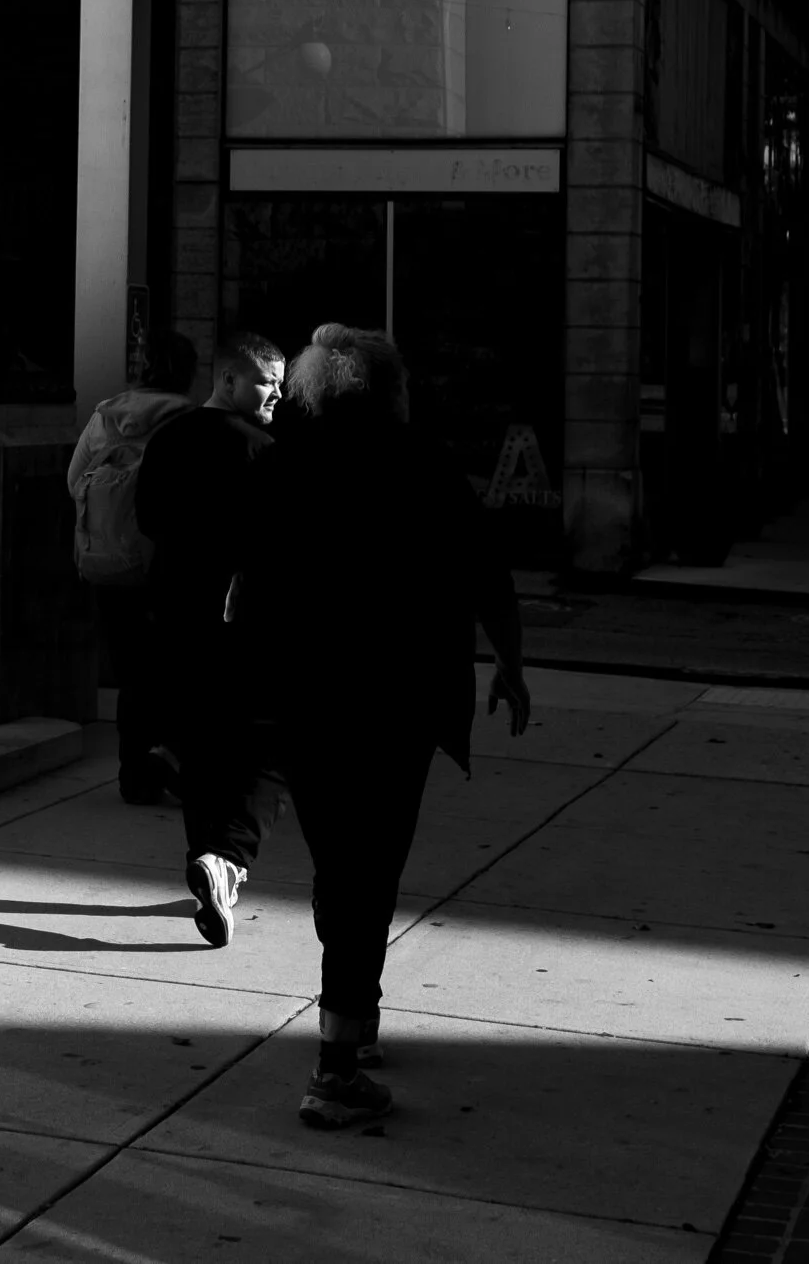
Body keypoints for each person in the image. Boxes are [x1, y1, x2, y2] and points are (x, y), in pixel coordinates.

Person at [215, 324, 531, 1131]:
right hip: (398, 701)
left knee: (340, 866)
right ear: (390, 390)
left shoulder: (280, 466)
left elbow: (243, 586)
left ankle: (351, 1019)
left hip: (304, 699)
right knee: (370, 869)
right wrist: (510, 663)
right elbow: (486, 574)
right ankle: (338, 1063)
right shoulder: (424, 465)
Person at [135, 333, 285, 831]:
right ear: (228, 379)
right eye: (267, 383)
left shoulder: (168, 437)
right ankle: (218, 835)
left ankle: (176, 767)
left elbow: (148, 517)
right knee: (231, 721)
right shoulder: (260, 450)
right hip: (231, 607)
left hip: (173, 594)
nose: (279, 395)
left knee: (190, 703)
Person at [66, 331, 200, 801]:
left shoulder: (105, 416)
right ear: (189, 372)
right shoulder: (189, 421)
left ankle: (133, 776)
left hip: (109, 565)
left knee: (131, 675)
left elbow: (72, 480)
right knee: (176, 668)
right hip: (163, 565)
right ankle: (169, 761)